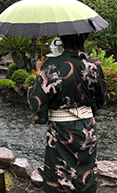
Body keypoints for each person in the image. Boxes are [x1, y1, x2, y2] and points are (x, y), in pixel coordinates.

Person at [27, 33, 107, 193]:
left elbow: (37, 102)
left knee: (59, 177)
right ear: (84, 39)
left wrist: (38, 74)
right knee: (86, 173)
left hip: (59, 130)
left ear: (62, 41)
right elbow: (101, 98)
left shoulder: (51, 66)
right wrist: (85, 112)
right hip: (86, 126)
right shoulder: (94, 64)